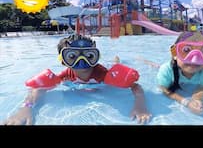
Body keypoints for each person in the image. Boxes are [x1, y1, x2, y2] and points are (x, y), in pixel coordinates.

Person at [3, 34, 151, 125]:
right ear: (63, 60)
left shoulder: (102, 74)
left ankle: (118, 60)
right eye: (72, 56)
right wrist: (26, 108)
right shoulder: (65, 75)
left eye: (89, 56)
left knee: (116, 64)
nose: (82, 62)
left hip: (109, 69)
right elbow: (38, 88)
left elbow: (135, 86)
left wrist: (140, 106)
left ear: (95, 56)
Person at [157, 31, 203, 115]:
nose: (195, 60)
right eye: (186, 50)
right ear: (174, 53)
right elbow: (163, 89)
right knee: (157, 66)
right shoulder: (166, 70)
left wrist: (197, 100)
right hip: (171, 67)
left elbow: (202, 88)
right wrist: (185, 102)